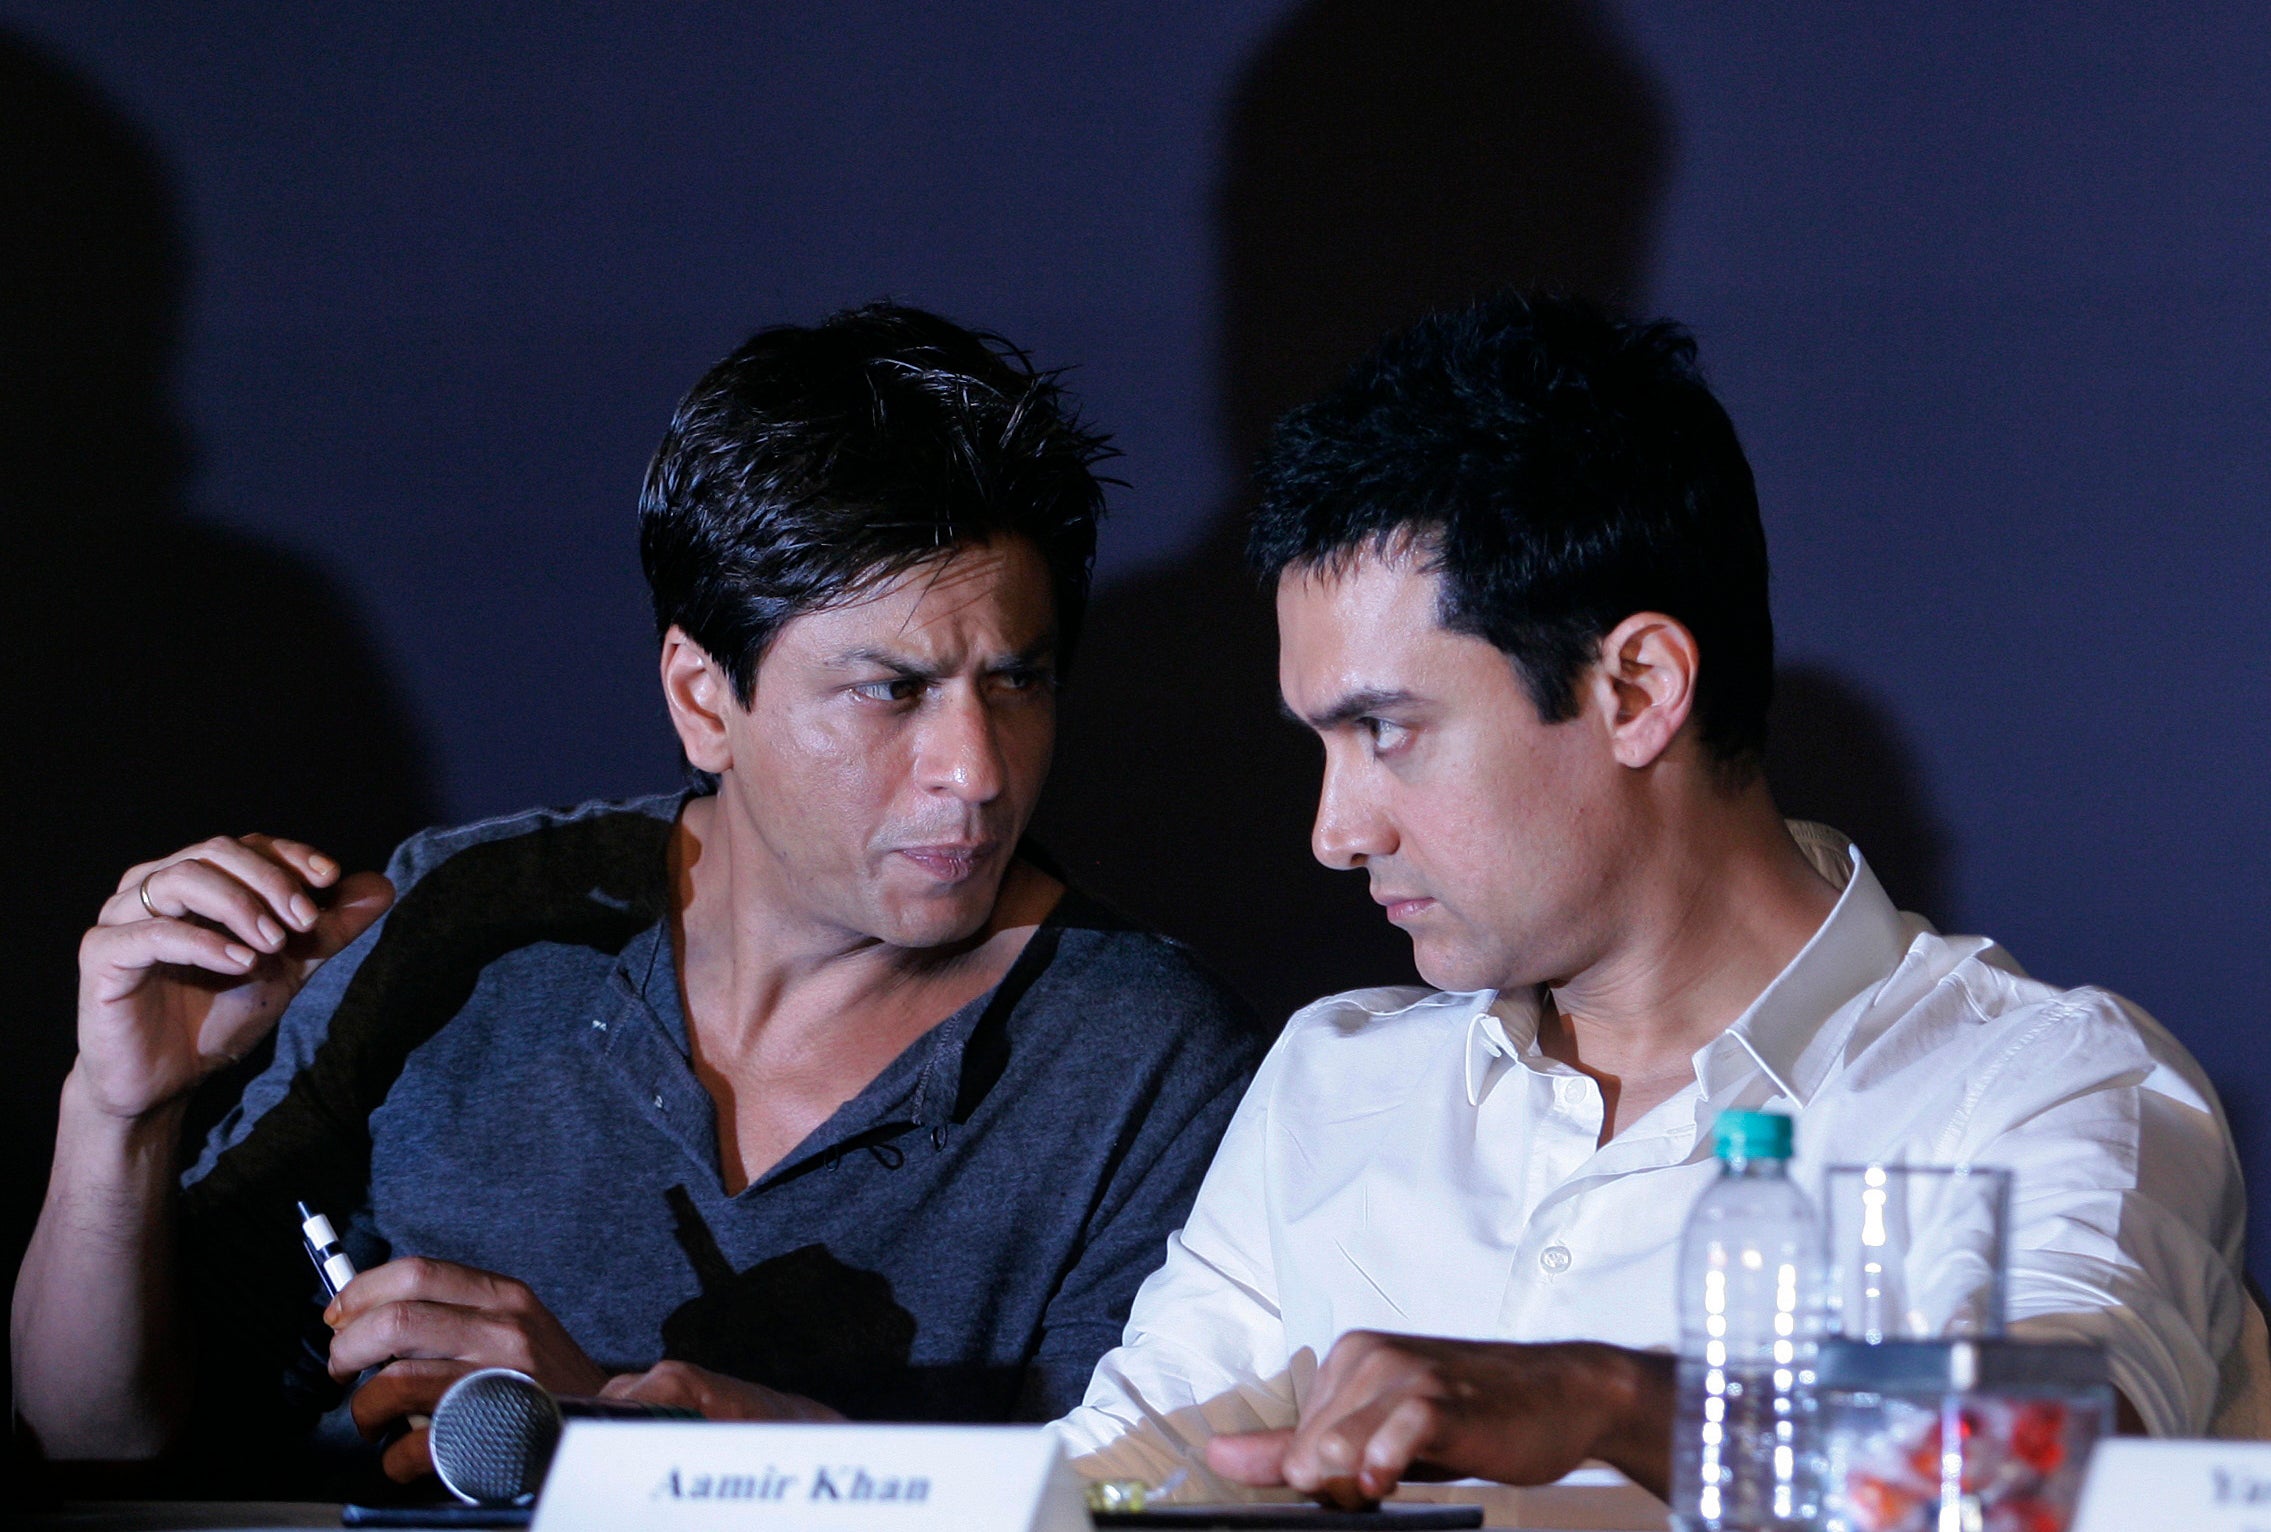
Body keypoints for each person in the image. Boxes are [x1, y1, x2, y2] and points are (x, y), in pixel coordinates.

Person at [12, 304, 1264, 1494]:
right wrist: (120, 1113)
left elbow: (1134, 1507)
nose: (977, 771)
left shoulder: (1147, 1056)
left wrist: (620, 1441)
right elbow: (95, 1441)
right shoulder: (477, 927)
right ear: (702, 696)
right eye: (891, 690)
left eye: (1018, 681)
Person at [1054, 293, 2260, 1504]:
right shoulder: (1335, 1078)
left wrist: (1612, 1399)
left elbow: (2056, 1474)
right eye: (1322, 744)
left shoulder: (2043, 1086)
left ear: (1637, 689)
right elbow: (1109, 1479)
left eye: (1386, 731)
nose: (1335, 830)